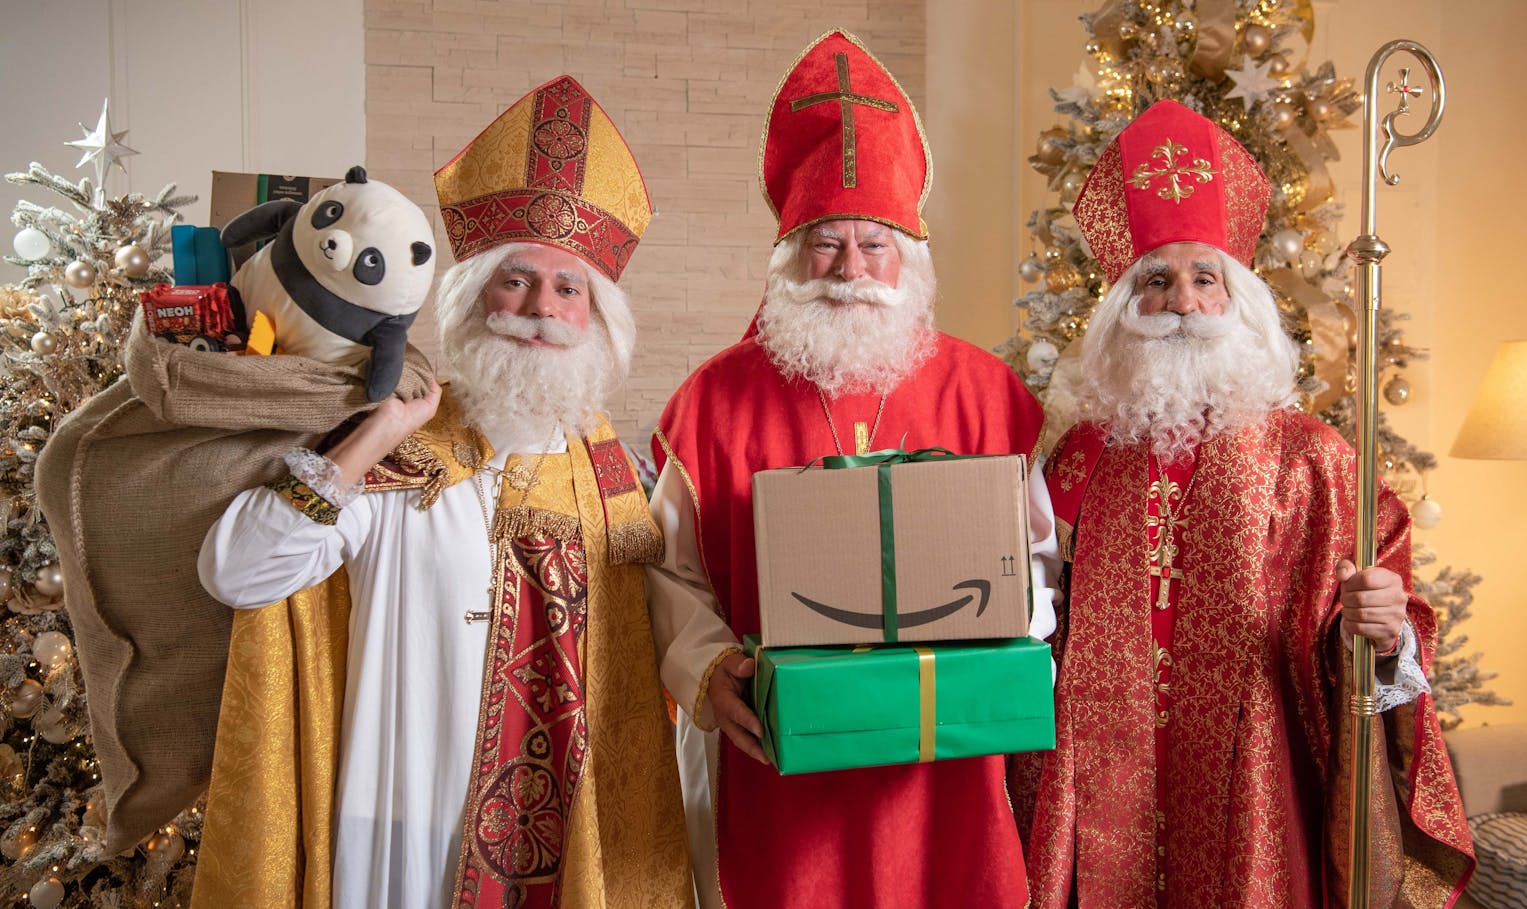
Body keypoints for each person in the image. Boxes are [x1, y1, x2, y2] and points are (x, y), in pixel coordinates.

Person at [197, 76, 692, 909]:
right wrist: (373, 440)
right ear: (471, 297)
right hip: (396, 822)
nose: (539, 309)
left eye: (568, 288)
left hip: (559, 831)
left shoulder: (615, 486)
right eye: (516, 280)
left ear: (599, 320)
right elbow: (237, 571)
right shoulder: (397, 445)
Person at [1012, 99, 1474, 907]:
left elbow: (1382, 659)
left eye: (1205, 279)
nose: (1184, 303)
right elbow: (1029, 616)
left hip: (1259, 799)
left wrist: (1386, 630)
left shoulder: (1315, 461)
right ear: (1124, 310)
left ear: (1240, 305)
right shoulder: (1078, 458)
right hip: (1098, 794)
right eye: (1156, 281)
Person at [647, 28, 1057, 909]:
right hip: (780, 760)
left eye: (875, 246)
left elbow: (1043, 563)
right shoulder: (710, 403)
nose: (851, 271)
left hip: (942, 766)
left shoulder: (989, 393)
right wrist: (711, 669)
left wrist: (1019, 624)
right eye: (827, 245)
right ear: (788, 258)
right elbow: (669, 573)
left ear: (910, 262)